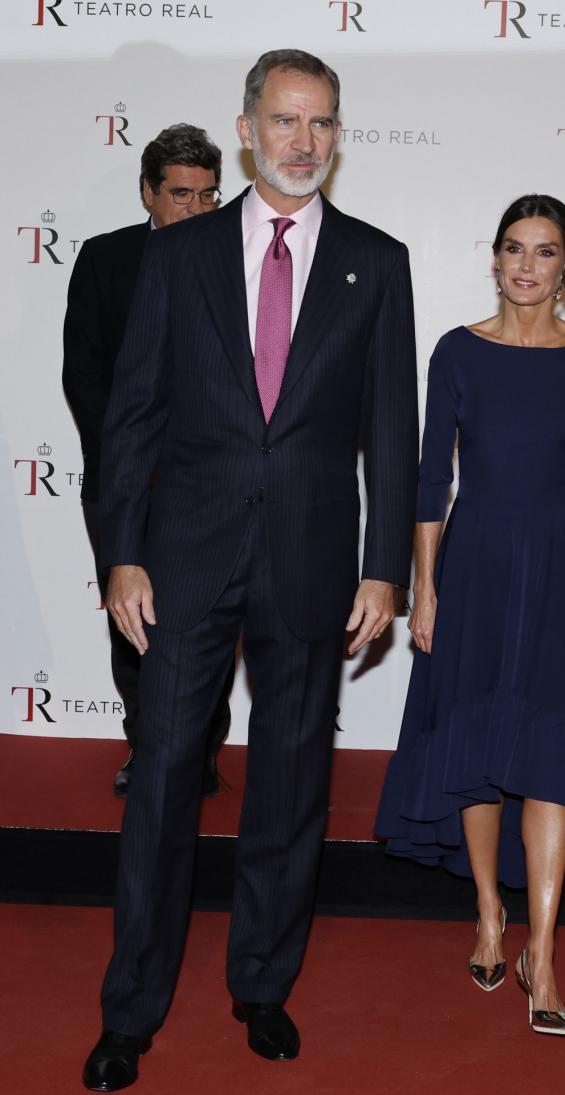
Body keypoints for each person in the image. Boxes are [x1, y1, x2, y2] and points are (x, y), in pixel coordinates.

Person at [81, 50, 417, 1091]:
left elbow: (391, 431)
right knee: (163, 781)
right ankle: (130, 1009)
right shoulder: (178, 255)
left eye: (321, 123)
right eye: (284, 120)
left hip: (313, 561)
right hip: (183, 558)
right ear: (245, 129)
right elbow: (131, 416)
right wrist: (121, 553)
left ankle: (262, 983)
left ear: (337, 135)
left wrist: (383, 569)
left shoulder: (376, 261)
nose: (302, 141)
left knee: (290, 784)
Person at [376, 194, 565, 1037]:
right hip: (474, 563)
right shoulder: (458, 350)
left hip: (556, 569)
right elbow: (429, 481)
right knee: (476, 748)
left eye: (545, 251)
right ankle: (489, 911)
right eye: (514, 248)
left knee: (550, 754)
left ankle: (541, 954)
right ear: (494, 257)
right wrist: (425, 587)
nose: (527, 265)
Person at [63, 123, 232, 798]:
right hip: (123, 477)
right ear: (148, 193)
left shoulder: (238, 262)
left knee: (209, 618)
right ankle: (146, 746)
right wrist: (130, 455)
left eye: (208, 195)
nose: (196, 208)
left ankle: (200, 750)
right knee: (131, 619)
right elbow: (82, 372)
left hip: (211, 481)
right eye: (182, 194)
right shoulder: (105, 259)